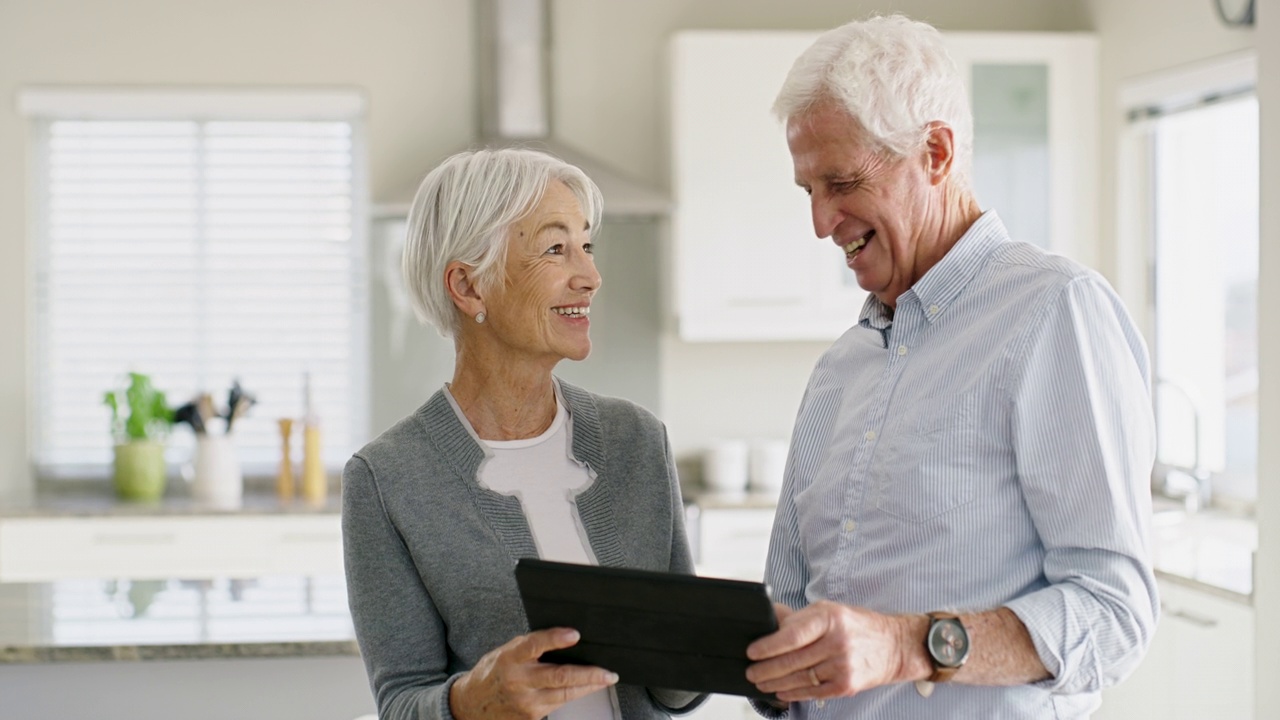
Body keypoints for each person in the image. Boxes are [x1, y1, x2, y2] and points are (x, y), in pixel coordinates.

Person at [742, 15, 1158, 719]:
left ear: (935, 152)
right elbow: (788, 596)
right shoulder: (842, 368)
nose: (820, 223)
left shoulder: (1054, 313)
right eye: (806, 190)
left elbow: (1114, 616)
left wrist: (910, 646)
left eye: (840, 182)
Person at [342, 148, 705, 720]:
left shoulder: (636, 441)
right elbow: (402, 701)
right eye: (555, 248)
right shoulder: (387, 480)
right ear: (469, 287)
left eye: (586, 245)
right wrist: (471, 701)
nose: (590, 276)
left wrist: (715, 652)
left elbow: (674, 689)